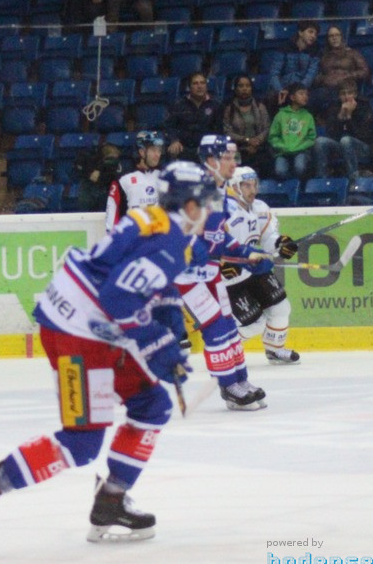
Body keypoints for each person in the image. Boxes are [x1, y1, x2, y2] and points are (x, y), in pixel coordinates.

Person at [0, 161, 216, 547]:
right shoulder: (169, 241)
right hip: (77, 331)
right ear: (188, 204)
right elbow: (118, 297)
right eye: (205, 202)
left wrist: (164, 335)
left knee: (151, 405)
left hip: (92, 324)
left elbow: (146, 288)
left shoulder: (157, 224)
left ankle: (112, 501)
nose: (210, 210)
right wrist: (158, 343)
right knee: (82, 442)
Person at [178, 135, 271, 410]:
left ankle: (240, 380)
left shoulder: (222, 196)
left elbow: (221, 241)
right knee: (215, 326)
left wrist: (246, 255)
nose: (233, 163)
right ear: (211, 161)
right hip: (185, 275)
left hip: (208, 271)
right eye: (226, 158)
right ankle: (228, 386)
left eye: (233, 157)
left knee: (229, 325)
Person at [223, 165, 301, 365]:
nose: (252, 190)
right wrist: (221, 262)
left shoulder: (260, 208)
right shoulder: (221, 211)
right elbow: (207, 243)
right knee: (254, 324)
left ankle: (275, 350)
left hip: (252, 267)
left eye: (254, 184)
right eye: (246, 185)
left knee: (281, 308)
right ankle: (223, 351)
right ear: (234, 187)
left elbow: (268, 237)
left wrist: (281, 243)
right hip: (228, 277)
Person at [313, 79, 373, 179]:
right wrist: (340, 117)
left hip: (363, 147)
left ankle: (354, 178)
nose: (346, 97)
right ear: (339, 96)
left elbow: (364, 135)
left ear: (355, 94)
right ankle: (322, 179)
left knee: (346, 140)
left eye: (350, 93)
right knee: (320, 141)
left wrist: (349, 117)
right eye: (343, 94)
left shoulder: (364, 107)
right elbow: (331, 135)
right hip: (342, 146)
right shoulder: (335, 107)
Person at [105, 129, 164, 229]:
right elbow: (112, 214)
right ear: (142, 152)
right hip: (134, 240)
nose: (157, 154)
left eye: (159, 150)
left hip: (159, 240)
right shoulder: (123, 179)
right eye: (153, 150)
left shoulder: (164, 176)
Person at [311, 25, 370, 114]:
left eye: (337, 35)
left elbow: (364, 71)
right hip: (326, 89)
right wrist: (323, 79)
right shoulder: (323, 55)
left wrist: (346, 76)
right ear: (328, 39)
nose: (334, 38)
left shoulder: (352, 53)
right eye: (331, 36)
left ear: (341, 37)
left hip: (346, 89)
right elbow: (315, 73)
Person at [222, 74, 272, 177]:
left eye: (247, 86)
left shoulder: (260, 106)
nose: (244, 89)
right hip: (238, 149)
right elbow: (227, 131)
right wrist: (247, 140)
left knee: (267, 161)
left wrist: (257, 141)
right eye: (241, 86)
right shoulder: (229, 108)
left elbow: (267, 127)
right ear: (235, 89)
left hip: (259, 147)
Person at [164, 73, 221, 162]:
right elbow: (169, 126)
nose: (199, 86)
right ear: (189, 87)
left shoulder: (216, 105)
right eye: (195, 83)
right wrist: (174, 140)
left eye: (202, 83)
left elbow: (219, 129)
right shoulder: (179, 105)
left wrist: (210, 145)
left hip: (207, 149)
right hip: (183, 149)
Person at [266, 21, 320, 112]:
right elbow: (274, 73)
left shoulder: (315, 52)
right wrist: (280, 90)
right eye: (310, 32)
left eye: (315, 34)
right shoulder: (284, 48)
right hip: (283, 87)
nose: (313, 36)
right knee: (271, 97)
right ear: (300, 32)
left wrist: (296, 92)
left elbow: (310, 76)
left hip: (302, 88)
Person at [269, 83, 317, 180]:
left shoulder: (308, 116)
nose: (305, 97)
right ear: (292, 97)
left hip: (301, 151)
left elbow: (311, 138)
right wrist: (283, 147)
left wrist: (298, 147)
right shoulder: (281, 115)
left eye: (306, 94)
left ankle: (299, 189)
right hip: (283, 152)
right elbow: (273, 137)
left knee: (300, 167)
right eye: (301, 94)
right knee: (280, 171)